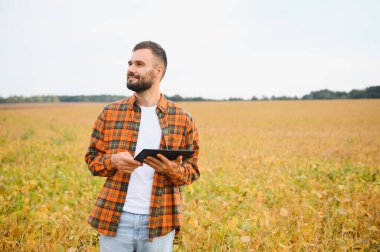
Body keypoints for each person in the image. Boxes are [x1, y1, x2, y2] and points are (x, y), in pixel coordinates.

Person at [84, 41, 200, 252]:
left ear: (158, 71)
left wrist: (175, 171)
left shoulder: (182, 119)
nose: (131, 69)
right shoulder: (110, 113)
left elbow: (193, 171)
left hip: (161, 221)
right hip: (115, 219)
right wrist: (112, 161)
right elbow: (92, 161)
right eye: (130, 63)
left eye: (139, 64)